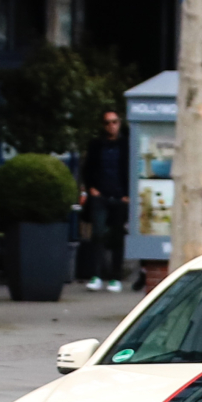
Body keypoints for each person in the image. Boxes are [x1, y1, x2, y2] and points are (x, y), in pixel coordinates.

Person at [80, 108, 131, 291]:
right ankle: (97, 274)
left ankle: (115, 276)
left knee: (117, 236)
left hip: (119, 196)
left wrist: (128, 194)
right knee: (98, 234)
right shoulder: (96, 144)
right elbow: (87, 167)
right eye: (108, 122)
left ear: (119, 123)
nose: (111, 126)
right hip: (100, 195)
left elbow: (131, 168)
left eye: (114, 121)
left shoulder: (126, 144)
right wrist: (91, 188)